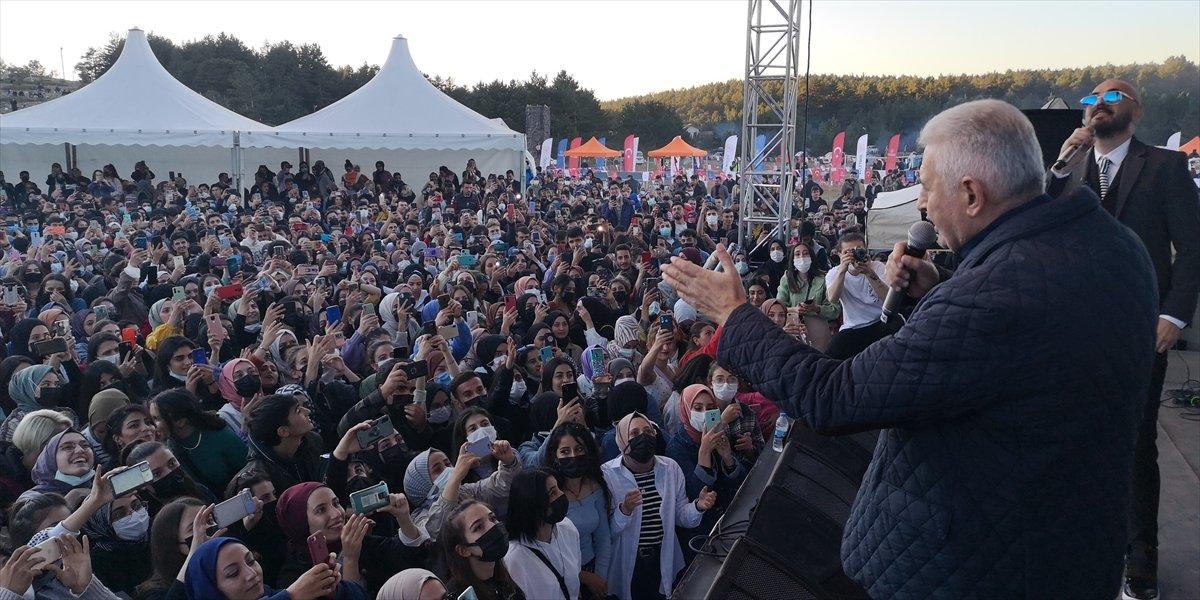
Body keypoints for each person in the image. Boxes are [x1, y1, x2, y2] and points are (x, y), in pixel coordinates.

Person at [663, 99, 1158, 597]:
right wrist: (941, 285)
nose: (920, 203)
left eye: (926, 185)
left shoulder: (988, 301)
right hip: (1071, 543)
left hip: (976, 569)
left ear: (971, 194)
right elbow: (1029, 333)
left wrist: (733, 315)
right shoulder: (1119, 249)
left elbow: (832, 397)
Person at [1046, 78, 1200, 600]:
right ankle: (1086, 548)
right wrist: (1061, 162)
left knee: (1134, 444)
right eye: (1091, 97)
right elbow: (1038, 221)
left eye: (1112, 95)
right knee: (1076, 438)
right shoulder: (1072, 170)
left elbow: (1193, 249)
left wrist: (1174, 316)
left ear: (1134, 109)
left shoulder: (1165, 165)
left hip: (1141, 329)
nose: (1098, 103)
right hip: (1078, 329)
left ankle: (1141, 560)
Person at [601, 413, 713, 600]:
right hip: (629, 561)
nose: (642, 437)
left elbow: (680, 516)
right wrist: (624, 510)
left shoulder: (670, 467)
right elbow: (607, 533)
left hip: (662, 556)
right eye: (634, 433)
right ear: (621, 441)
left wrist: (698, 507)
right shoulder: (607, 474)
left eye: (647, 431)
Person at [502, 469, 581, 600]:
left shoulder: (567, 528)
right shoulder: (513, 557)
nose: (561, 495)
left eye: (558, 488)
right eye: (553, 492)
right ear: (533, 504)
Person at [439, 499, 525, 600]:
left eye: (492, 518)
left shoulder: (504, 575)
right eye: (479, 527)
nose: (493, 525)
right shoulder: (459, 595)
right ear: (463, 550)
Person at [823, 232, 888, 359]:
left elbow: (887, 298)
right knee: (833, 353)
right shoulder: (834, 273)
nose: (855, 255)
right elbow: (833, 299)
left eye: (859, 250)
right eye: (849, 252)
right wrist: (842, 270)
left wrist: (869, 273)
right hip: (854, 326)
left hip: (881, 321)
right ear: (840, 254)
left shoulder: (878, 267)